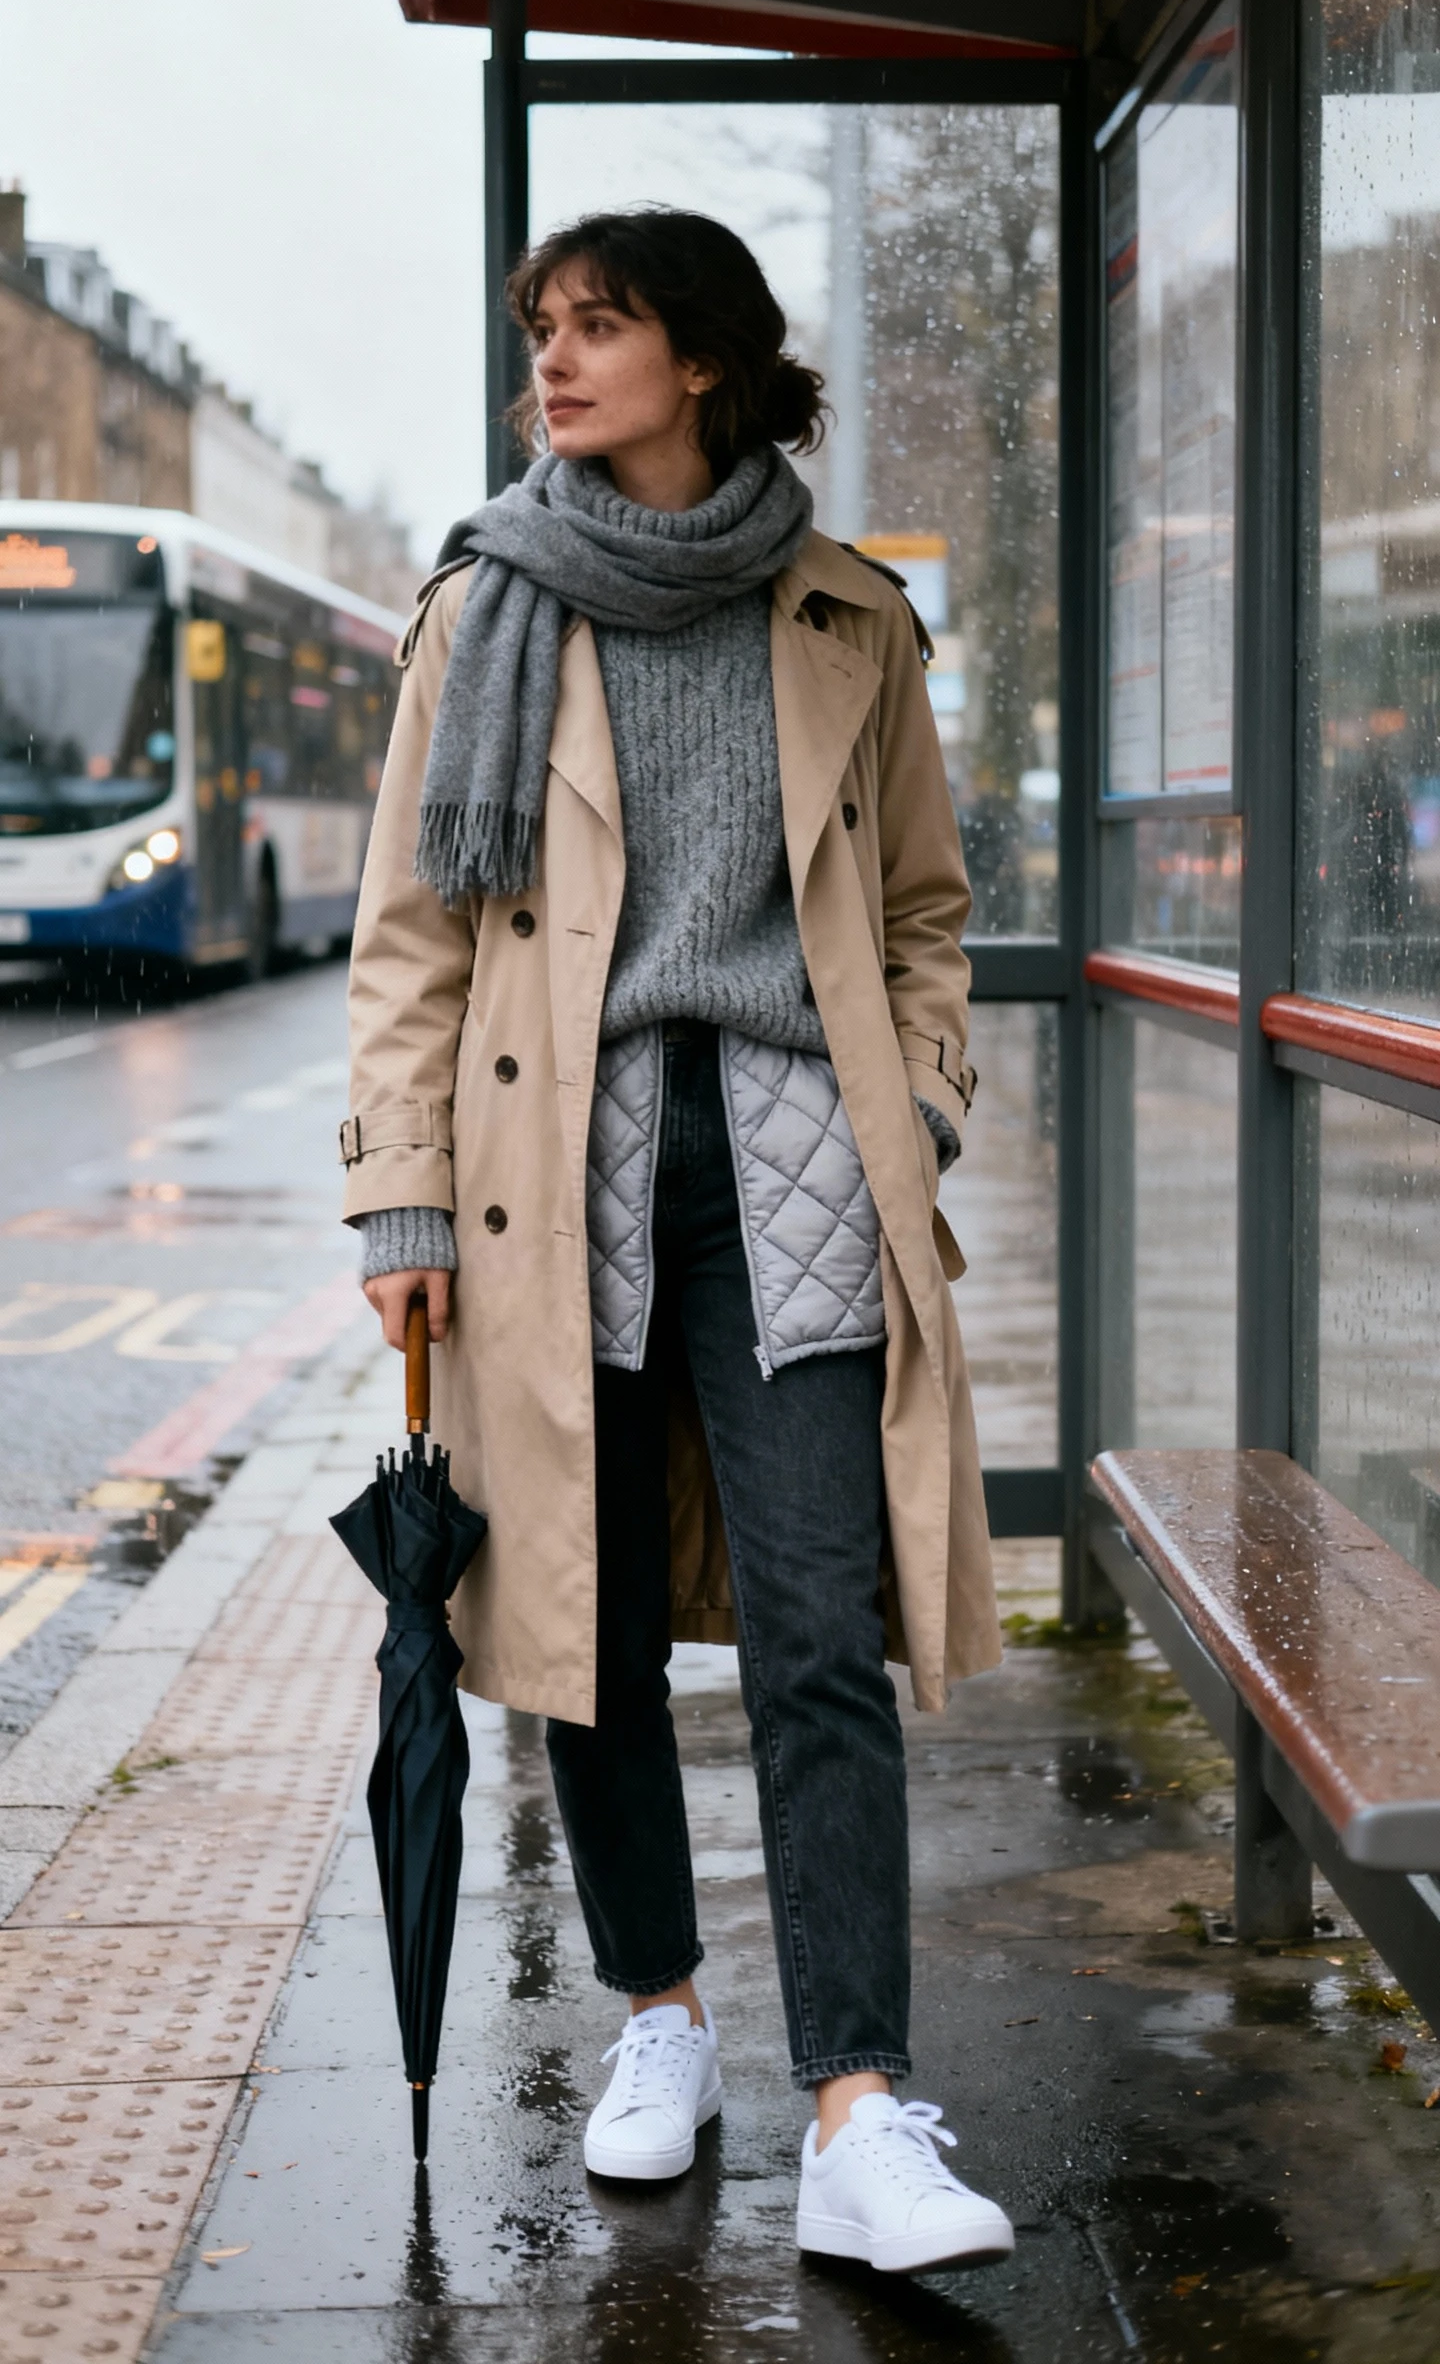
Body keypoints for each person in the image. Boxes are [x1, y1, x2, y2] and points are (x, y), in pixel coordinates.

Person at [340, 207, 1011, 2274]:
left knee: (824, 1629)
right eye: (543, 326)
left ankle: (858, 2105)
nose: (556, 358)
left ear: (704, 359)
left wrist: (927, 1094)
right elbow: (415, 934)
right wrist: (401, 1194)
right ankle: (658, 2015)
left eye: (601, 325)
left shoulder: (846, 619)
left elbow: (918, 905)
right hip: (571, 1163)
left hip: (800, 1157)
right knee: (583, 1618)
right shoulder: (486, 608)